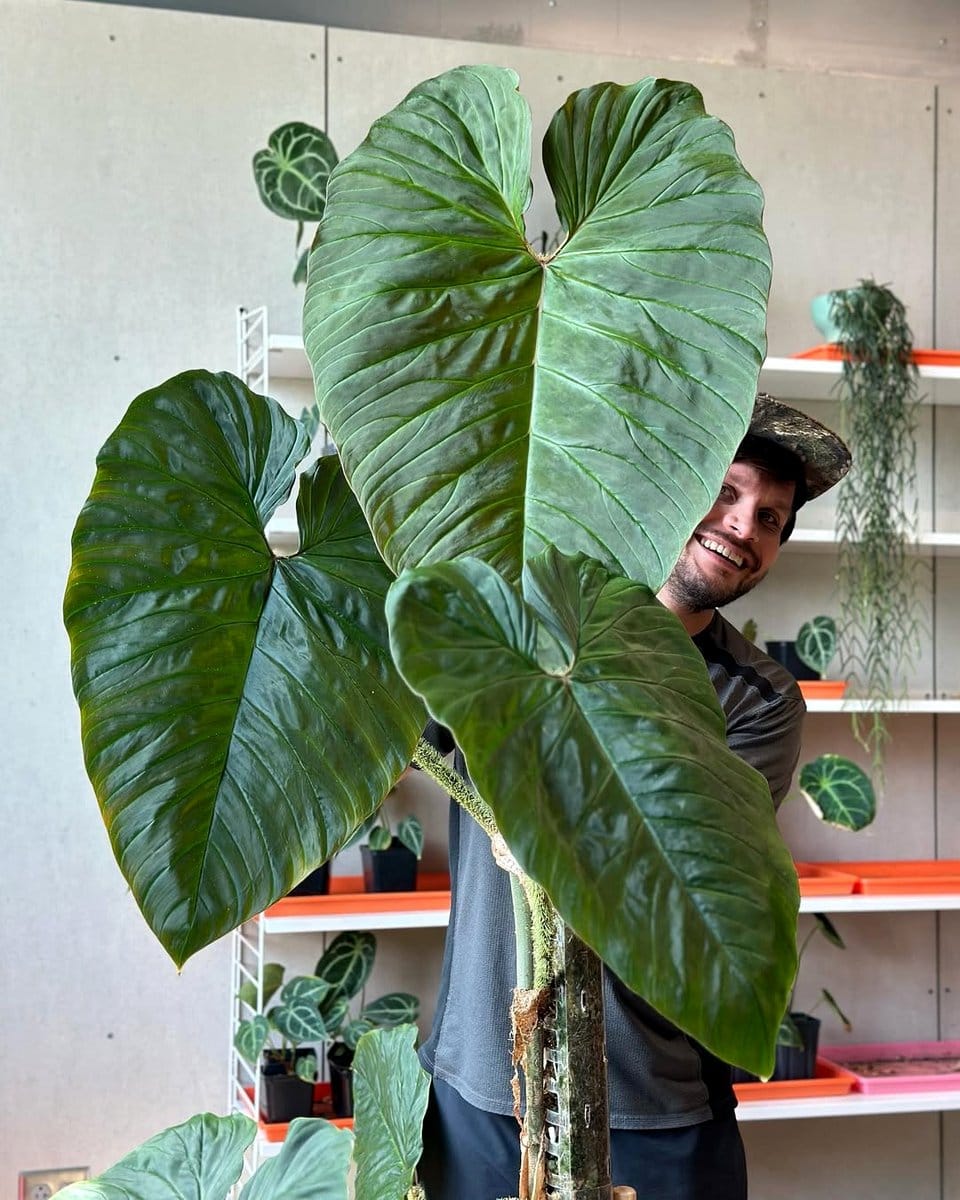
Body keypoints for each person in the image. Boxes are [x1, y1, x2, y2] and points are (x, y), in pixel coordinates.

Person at [416, 393, 852, 1200]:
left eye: (771, 519)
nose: (743, 528)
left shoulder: (758, 699)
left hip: (652, 1102)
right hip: (483, 1083)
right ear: (668, 482)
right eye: (727, 492)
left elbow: (679, 870)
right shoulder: (513, 625)